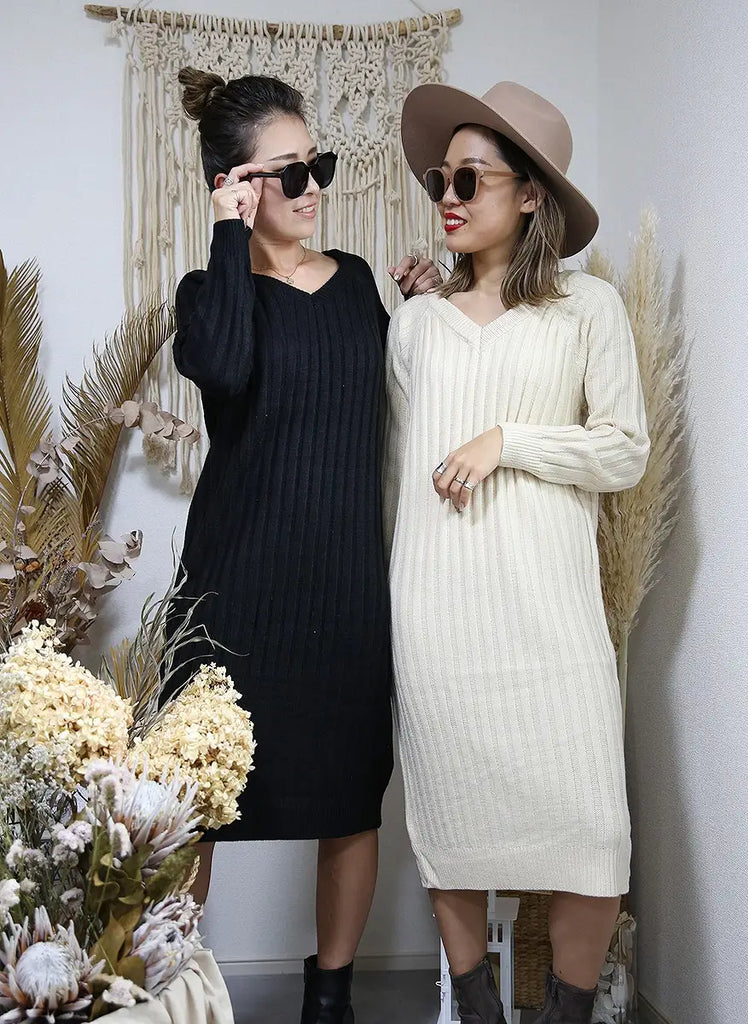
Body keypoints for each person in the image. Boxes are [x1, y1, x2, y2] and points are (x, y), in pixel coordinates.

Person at [171, 67, 441, 1024]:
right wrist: (227, 235)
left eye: (315, 163)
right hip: (236, 586)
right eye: (287, 172)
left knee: (348, 797)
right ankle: (169, 986)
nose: (313, 185)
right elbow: (226, 368)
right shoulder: (207, 294)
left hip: (343, 588)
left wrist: (425, 309)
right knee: (193, 797)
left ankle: (330, 996)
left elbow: (403, 402)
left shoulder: (357, 283)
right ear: (237, 186)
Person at [384, 81, 650, 1024]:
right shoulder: (415, 323)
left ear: (530, 194)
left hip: (549, 612)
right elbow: (397, 475)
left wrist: (511, 440)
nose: (447, 197)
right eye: (439, 180)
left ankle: (564, 1015)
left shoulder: (588, 308)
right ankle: (479, 1008)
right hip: (437, 609)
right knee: (452, 825)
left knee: (592, 834)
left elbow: (624, 450)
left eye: (470, 178)